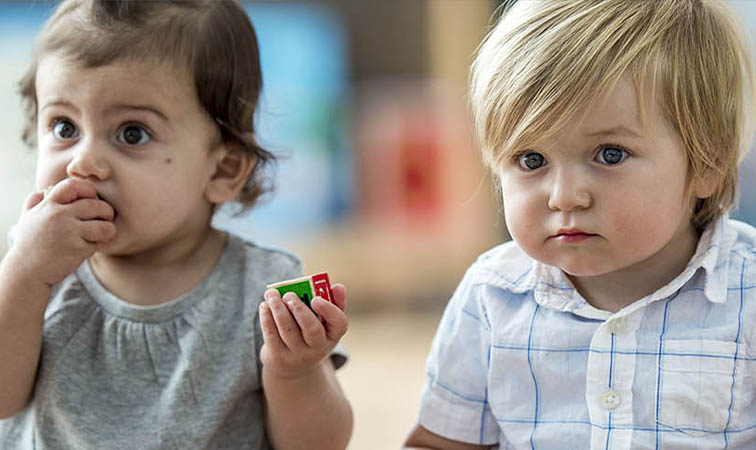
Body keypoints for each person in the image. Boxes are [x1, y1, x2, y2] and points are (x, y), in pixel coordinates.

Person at [0, 1, 353, 449]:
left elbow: (319, 445)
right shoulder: (33, 268)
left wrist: (295, 369)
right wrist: (24, 273)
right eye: (64, 127)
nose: (83, 163)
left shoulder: (260, 291)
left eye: (132, 133)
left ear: (223, 169)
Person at [405, 0, 756, 448]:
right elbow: (437, 443)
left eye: (610, 154)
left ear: (707, 161)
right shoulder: (492, 297)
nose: (565, 195)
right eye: (532, 160)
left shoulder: (747, 296)